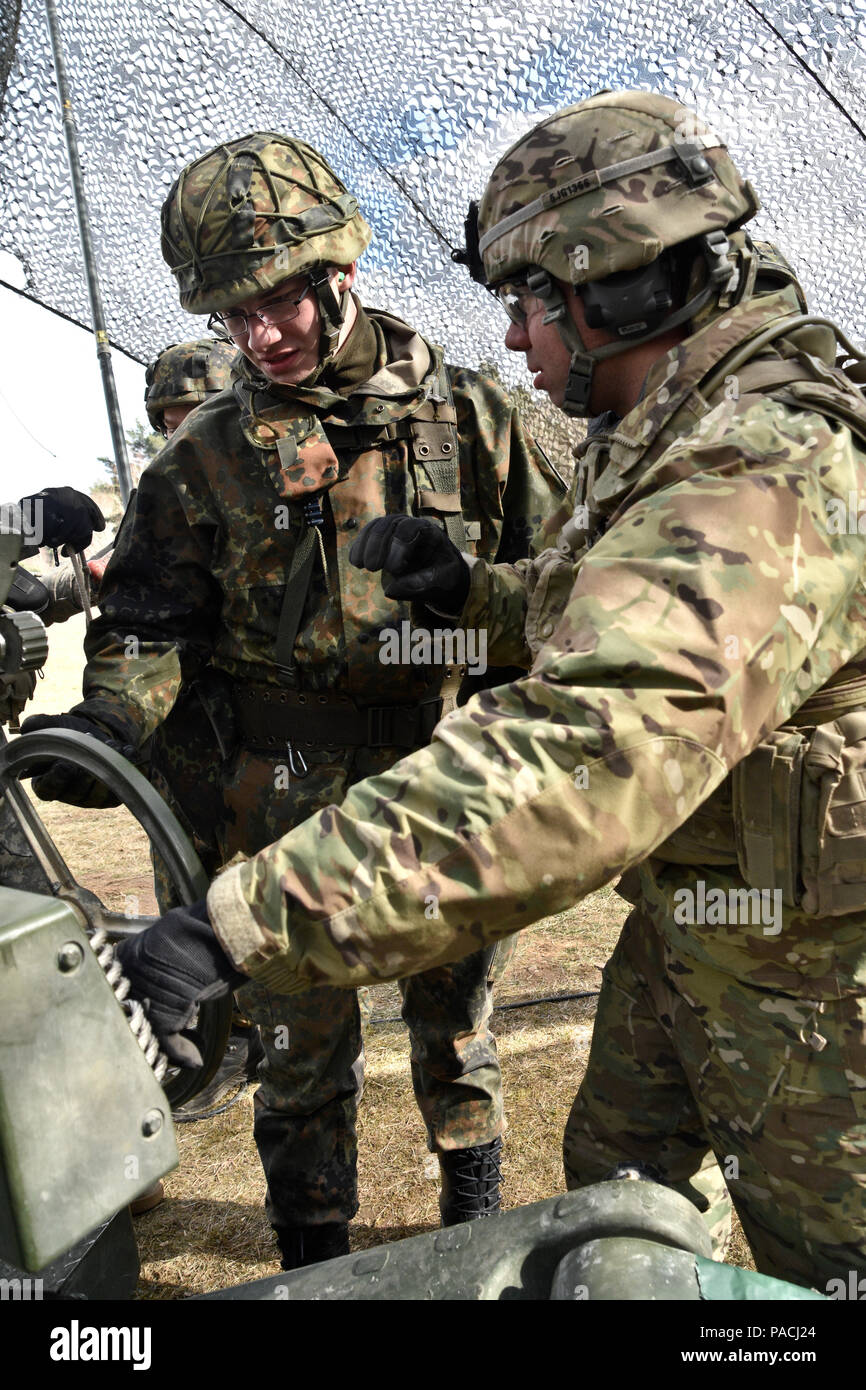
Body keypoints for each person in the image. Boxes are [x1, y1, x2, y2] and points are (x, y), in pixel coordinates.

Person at [113, 90, 866, 1290]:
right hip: (700, 923)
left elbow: (583, 747)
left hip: (812, 980)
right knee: (609, 1203)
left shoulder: (754, 466)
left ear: (618, 290)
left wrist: (234, 925)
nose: (513, 339)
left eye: (528, 302)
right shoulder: (671, 422)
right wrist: (475, 592)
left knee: (815, 1266)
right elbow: (599, 611)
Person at [22, 132, 565, 1268]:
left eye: (278, 301)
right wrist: (109, 723)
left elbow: (558, 595)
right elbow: (149, 626)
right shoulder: (203, 456)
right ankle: (311, 1267)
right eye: (234, 315)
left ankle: (474, 1240)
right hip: (277, 808)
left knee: (458, 1031)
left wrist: (493, 664)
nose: (260, 335)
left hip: (441, 785)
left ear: (339, 272)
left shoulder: (473, 418)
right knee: (297, 1056)